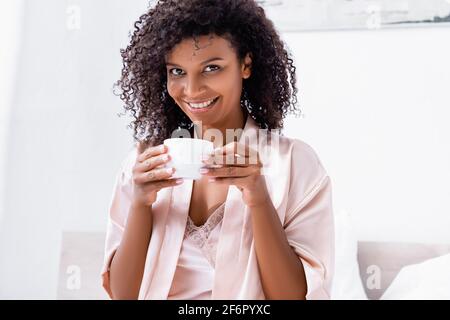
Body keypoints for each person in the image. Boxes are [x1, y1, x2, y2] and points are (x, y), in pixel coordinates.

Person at [102, 0, 334, 300]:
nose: (192, 89)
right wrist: (140, 204)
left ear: (245, 65)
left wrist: (258, 197)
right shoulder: (144, 163)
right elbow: (123, 295)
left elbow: (293, 296)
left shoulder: (293, 164)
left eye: (212, 68)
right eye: (177, 71)